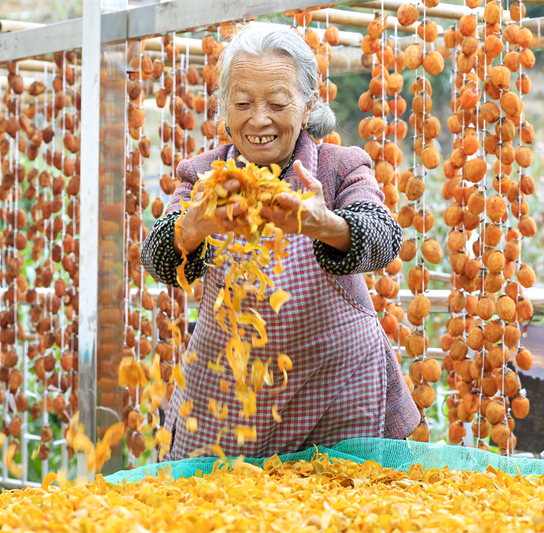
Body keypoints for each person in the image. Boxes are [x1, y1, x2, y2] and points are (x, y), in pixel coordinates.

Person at [140, 22, 419, 461]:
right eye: (243, 103)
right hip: (229, 399)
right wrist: (195, 223)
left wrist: (323, 223)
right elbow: (157, 260)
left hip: (337, 396)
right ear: (224, 109)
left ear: (306, 106)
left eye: (276, 103)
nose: (259, 120)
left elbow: (384, 238)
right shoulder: (202, 175)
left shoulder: (340, 167)